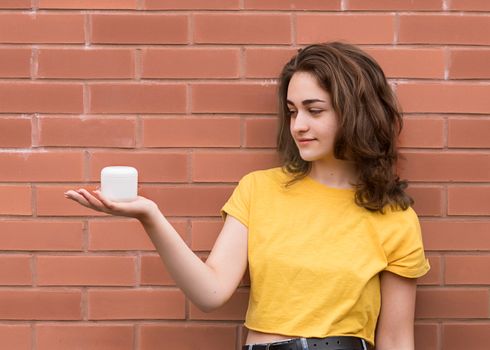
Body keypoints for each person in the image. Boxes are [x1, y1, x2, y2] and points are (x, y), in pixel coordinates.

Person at [64, 42, 430, 350]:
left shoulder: (393, 216)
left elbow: (397, 338)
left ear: (356, 114)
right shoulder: (259, 189)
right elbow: (210, 293)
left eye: (314, 110)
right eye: (292, 111)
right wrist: (150, 216)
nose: (298, 125)